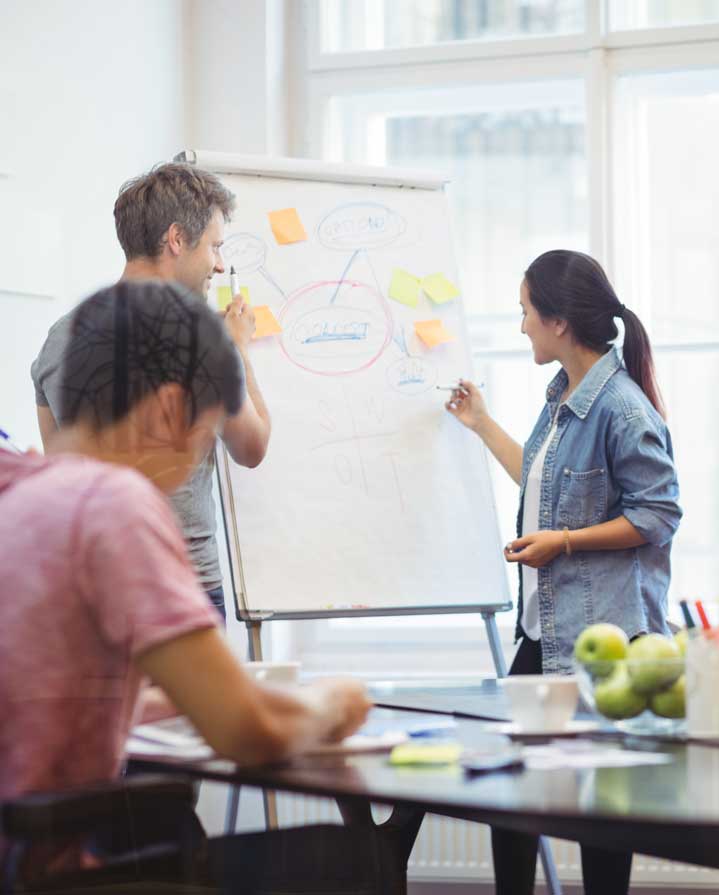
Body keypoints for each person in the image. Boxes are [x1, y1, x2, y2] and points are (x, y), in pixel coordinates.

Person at [0, 281, 383, 891]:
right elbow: (246, 733)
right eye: (207, 427)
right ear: (169, 409)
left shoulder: (20, 491)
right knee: (345, 857)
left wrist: (182, 696)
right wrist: (330, 705)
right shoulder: (111, 502)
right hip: (45, 873)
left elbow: (50, 692)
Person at [447, 249, 681, 895]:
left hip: (603, 641)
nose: (521, 325)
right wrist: (481, 424)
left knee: (600, 817)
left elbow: (658, 513)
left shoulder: (622, 407)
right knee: (510, 798)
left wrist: (566, 543)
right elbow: (545, 487)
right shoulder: (562, 399)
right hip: (545, 635)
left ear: (558, 321)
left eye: (525, 311)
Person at [30, 162, 272, 620]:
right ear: (177, 239)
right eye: (214, 247)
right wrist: (237, 347)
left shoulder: (59, 338)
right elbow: (252, 446)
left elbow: (57, 472)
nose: (219, 266)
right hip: (178, 589)